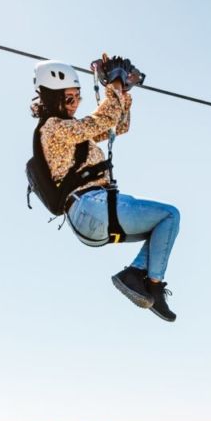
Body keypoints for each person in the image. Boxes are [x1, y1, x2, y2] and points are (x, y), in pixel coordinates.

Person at [31, 58, 181, 322]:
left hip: (92, 215)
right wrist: (114, 82)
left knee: (164, 225)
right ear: (52, 98)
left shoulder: (72, 132)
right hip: (91, 206)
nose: (75, 104)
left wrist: (121, 89)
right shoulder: (53, 128)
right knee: (169, 215)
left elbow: (118, 125)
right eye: (68, 99)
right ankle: (150, 285)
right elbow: (104, 118)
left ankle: (136, 275)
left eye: (77, 97)